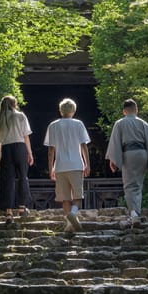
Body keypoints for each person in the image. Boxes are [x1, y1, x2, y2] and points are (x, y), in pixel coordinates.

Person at [105, 98, 148, 224]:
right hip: (143, 153)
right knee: (138, 185)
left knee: (130, 185)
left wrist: (113, 160)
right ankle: (136, 211)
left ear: (124, 111)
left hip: (128, 154)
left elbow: (115, 142)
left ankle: (134, 213)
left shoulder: (119, 123)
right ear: (136, 110)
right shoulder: (143, 123)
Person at [44, 98, 91, 233]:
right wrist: (87, 164)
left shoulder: (53, 125)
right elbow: (83, 146)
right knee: (77, 196)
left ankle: (68, 225)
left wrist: (50, 167)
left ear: (60, 110)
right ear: (74, 111)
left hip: (60, 165)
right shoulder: (78, 124)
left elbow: (50, 150)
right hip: (76, 164)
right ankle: (74, 213)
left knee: (65, 198)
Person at [0, 95, 33, 224]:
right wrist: (30, 153)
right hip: (20, 147)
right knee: (22, 177)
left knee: (7, 180)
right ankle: (22, 207)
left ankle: (8, 212)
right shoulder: (20, 116)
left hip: (6, 149)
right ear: (14, 104)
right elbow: (26, 136)